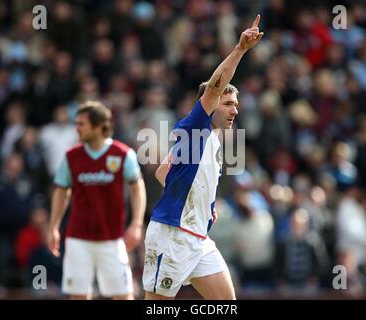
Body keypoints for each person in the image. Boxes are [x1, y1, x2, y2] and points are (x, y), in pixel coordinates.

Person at [143, 14, 264, 300]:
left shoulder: (211, 141)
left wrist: (201, 204)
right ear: (210, 104)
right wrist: (240, 50)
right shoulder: (195, 125)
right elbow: (214, 86)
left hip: (199, 238)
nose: (235, 110)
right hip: (172, 236)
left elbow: (163, 171)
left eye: (237, 105)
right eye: (229, 103)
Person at [47, 100, 146, 300]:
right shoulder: (72, 156)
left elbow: (137, 189)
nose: (77, 129)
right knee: (79, 296)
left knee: (123, 296)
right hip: (78, 238)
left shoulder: (122, 154)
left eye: (81, 124)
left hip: (112, 238)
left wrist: (136, 224)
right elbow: (61, 191)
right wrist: (53, 226)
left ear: (99, 126)